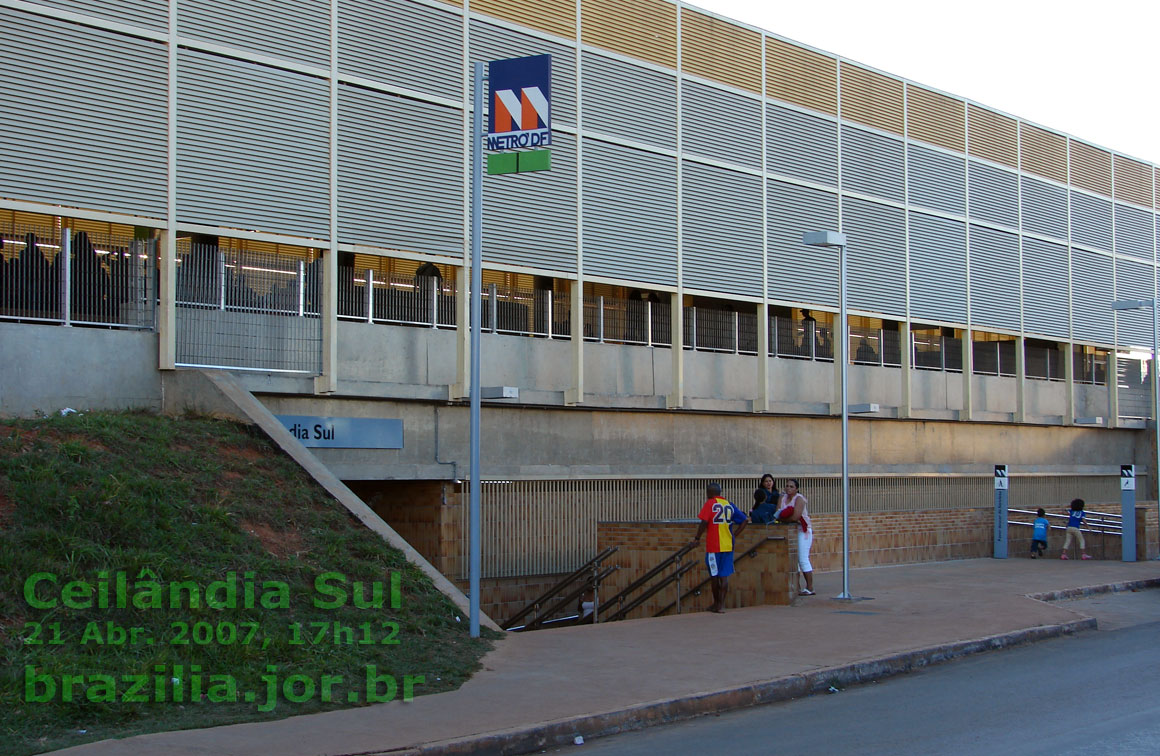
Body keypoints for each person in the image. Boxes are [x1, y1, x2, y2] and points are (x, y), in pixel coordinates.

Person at [691, 482, 748, 613]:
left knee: (714, 575)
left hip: (714, 546)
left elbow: (704, 522)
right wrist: (734, 535)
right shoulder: (728, 504)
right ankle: (721, 605)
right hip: (728, 545)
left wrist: (697, 538)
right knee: (724, 576)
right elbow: (744, 520)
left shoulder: (710, 503)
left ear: (709, 493)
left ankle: (716, 604)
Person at [777, 479, 814, 595]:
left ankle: (810, 587)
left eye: (791, 486)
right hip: (790, 531)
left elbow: (795, 516)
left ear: (796, 488)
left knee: (803, 558)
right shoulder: (782, 498)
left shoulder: (799, 499)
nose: (788, 488)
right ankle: (796, 586)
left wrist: (783, 519)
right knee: (793, 560)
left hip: (803, 531)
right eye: (787, 486)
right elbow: (777, 514)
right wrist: (782, 518)